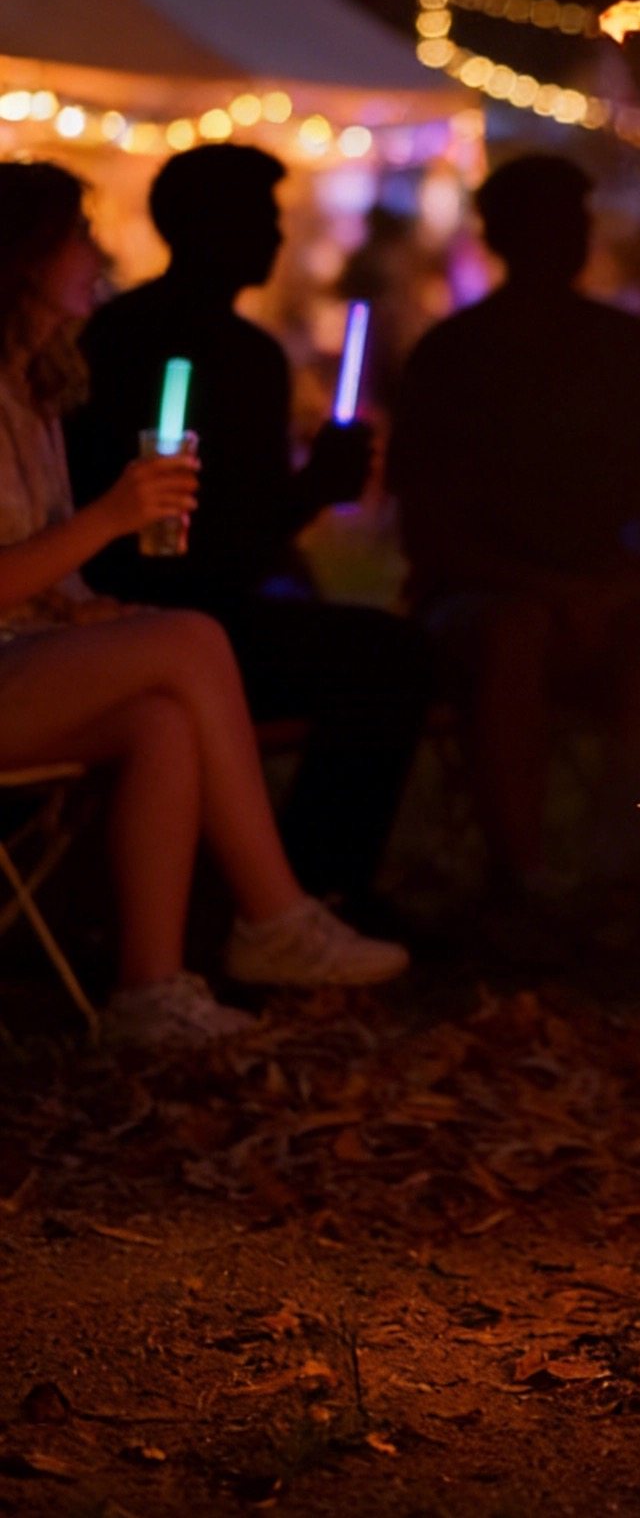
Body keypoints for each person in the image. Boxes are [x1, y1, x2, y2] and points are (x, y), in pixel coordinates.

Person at [0, 162, 406, 1048]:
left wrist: (84, 609)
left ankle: (148, 991)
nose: (98, 254)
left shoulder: (36, 389)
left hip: (27, 657)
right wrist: (114, 517)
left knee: (162, 719)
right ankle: (276, 917)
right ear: (23, 258)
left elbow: (41, 565)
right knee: (189, 637)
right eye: (78, 236)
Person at [65, 146, 431, 912]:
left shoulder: (234, 352)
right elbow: (195, 545)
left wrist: (312, 493)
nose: (274, 236)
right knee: (387, 658)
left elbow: (246, 531)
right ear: (201, 226)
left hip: (205, 606)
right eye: (259, 218)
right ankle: (308, 886)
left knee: (383, 650)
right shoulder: (137, 347)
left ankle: (294, 884)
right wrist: (312, 493)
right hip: (139, 608)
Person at [388, 154, 640, 919]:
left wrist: (621, 582)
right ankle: (523, 877)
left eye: (573, 220)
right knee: (514, 634)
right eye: (545, 222)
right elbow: (431, 530)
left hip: (612, 596)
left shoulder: (624, 350)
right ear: (501, 234)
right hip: (484, 601)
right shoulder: (455, 356)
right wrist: (554, 590)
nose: (566, 237)